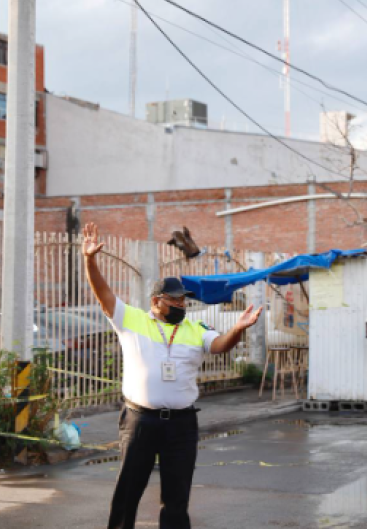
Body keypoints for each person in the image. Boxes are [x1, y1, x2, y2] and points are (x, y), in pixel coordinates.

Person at [81, 223, 263, 529]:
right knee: (128, 491)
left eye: (183, 301)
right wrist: (90, 261)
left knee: (177, 498)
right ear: (156, 302)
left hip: (181, 424)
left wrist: (237, 330)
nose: (180, 305)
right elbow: (104, 295)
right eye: (174, 301)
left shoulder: (195, 328)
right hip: (140, 421)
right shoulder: (132, 321)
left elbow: (219, 346)